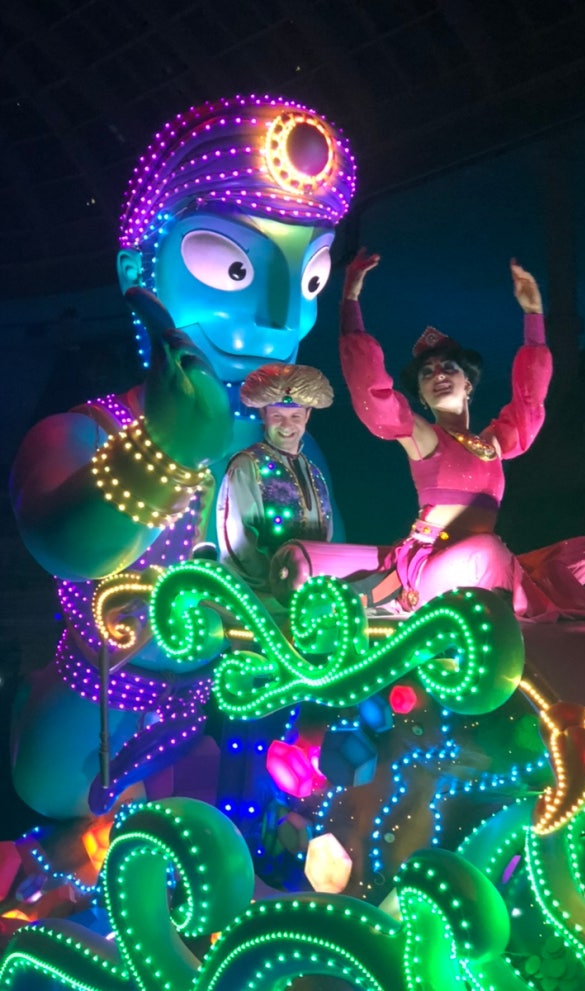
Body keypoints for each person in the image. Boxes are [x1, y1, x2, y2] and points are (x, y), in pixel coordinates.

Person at [8, 95, 356, 819]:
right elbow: (62, 540)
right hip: (94, 709)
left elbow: (325, 571)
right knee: (59, 805)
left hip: (219, 709)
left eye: (310, 278)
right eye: (232, 267)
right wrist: (163, 449)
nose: (281, 316)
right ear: (139, 270)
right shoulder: (86, 431)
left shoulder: (288, 449)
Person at [272, 248, 585, 621]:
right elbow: (374, 394)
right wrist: (350, 302)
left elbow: (529, 402)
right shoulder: (425, 437)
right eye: (427, 373)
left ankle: (523, 594)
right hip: (434, 569)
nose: (438, 375)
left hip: (484, 562)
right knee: (487, 549)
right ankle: (544, 615)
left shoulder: (493, 443)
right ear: (421, 396)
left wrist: (534, 317)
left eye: (448, 368)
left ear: (468, 385)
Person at [217, 364, 334, 593]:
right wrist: (276, 585)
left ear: (307, 416)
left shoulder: (314, 473)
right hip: (261, 594)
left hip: (307, 594)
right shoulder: (247, 465)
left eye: (295, 416)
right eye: (277, 416)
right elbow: (239, 543)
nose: (287, 425)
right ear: (264, 415)